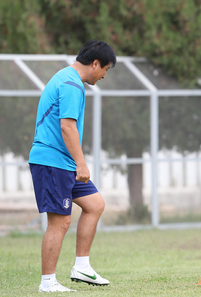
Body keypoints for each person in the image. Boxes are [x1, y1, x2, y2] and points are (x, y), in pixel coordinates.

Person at [29, 39, 116, 292]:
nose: (103, 76)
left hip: (63, 162)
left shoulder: (68, 78)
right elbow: (67, 127)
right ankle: (47, 282)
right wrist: (82, 163)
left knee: (95, 204)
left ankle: (81, 266)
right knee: (60, 222)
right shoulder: (70, 84)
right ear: (95, 63)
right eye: (105, 70)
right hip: (53, 162)